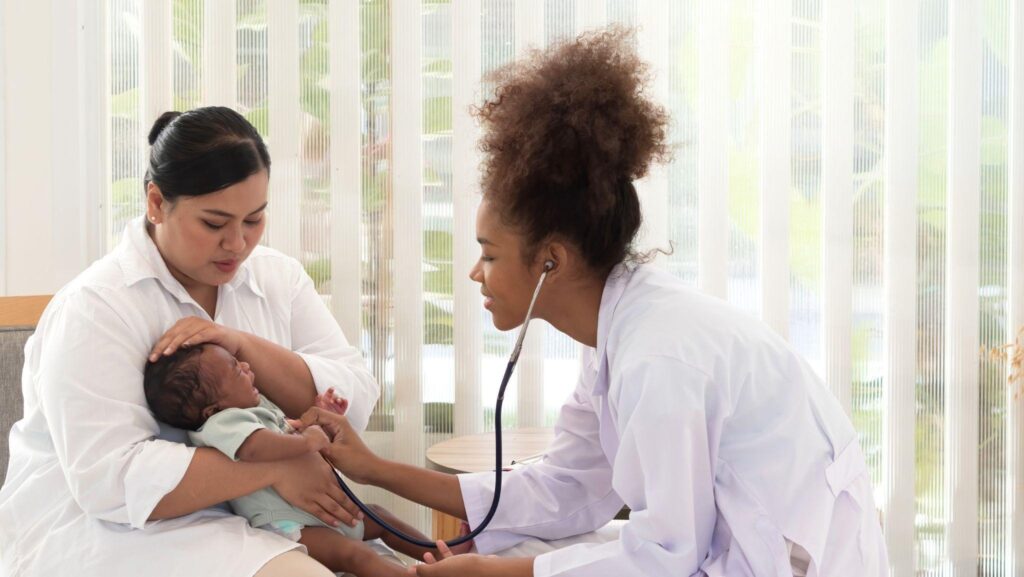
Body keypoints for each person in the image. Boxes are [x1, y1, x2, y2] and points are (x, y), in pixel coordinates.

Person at [295, 27, 889, 577]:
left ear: (551, 259)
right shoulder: (619, 333)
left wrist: (493, 572)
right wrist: (371, 467)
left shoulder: (659, 357)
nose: (476, 273)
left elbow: (664, 557)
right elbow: (568, 489)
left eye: (491, 254)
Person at [0, 107, 381, 577]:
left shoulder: (278, 278)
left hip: (252, 517)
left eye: (254, 220)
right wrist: (275, 468)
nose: (238, 245)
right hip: (114, 530)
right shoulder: (94, 307)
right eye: (214, 224)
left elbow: (355, 403)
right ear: (157, 203)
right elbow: (109, 481)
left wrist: (242, 345)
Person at [143, 343, 470, 576]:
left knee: (379, 517)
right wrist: (308, 441)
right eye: (234, 369)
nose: (245, 366)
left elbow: (292, 434)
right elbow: (256, 448)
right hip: (290, 527)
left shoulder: (257, 410)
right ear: (211, 407)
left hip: (321, 515)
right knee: (353, 555)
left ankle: (440, 553)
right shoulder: (222, 424)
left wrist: (320, 417)